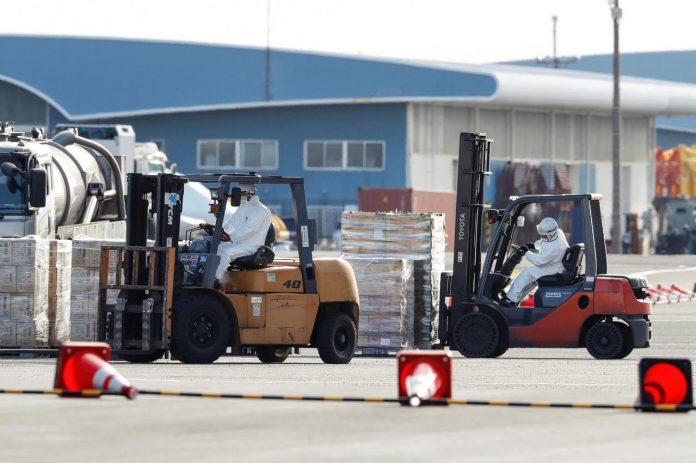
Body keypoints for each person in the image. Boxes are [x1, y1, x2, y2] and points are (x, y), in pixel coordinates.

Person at [501, 217, 569, 307]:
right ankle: (515, 300)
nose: (542, 237)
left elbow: (539, 261)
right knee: (532, 277)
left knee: (528, 272)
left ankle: (510, 299)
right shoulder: (557, 233)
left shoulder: (556, 247)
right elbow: (545, 242)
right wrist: (533, 245)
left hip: (556, 268)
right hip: (556, 264)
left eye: (544, 235)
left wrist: (526, 252)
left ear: (551, 234)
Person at [214, 184, 272, 280]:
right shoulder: (243, 207)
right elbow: (231, 223)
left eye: (240, 194)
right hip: (239, 243)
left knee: (225, 252)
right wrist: (221, 231)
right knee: (215, 249)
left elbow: (249, 229)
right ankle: (207, 276)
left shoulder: (261, 210)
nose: (237, 197)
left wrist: (229, 237)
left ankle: (215, 279)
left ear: (250, 193)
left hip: (251, 247)